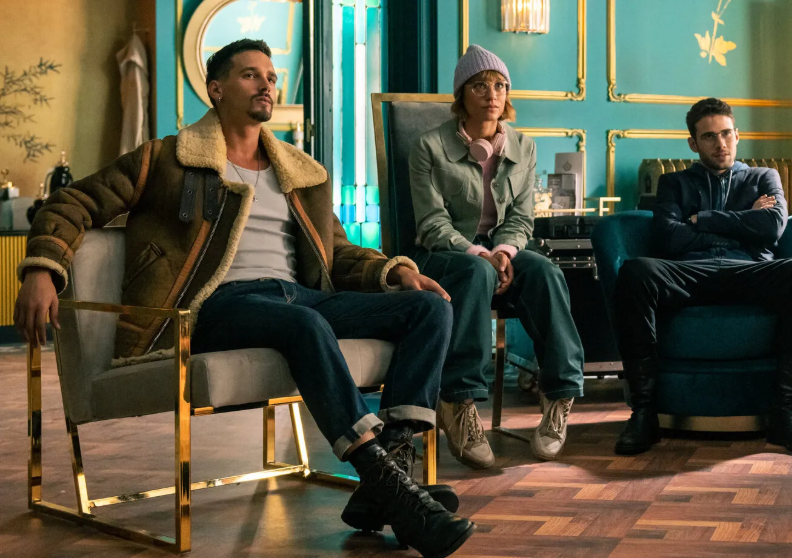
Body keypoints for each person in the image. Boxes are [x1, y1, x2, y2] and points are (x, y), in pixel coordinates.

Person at [12, 39, 475, 557]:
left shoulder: (301, 174)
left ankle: (386, 485)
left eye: (271, 77)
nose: (267, 85)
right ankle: (395, 490)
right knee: (305, 326)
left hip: (300, 298)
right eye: (251, 75)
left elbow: (337, 252)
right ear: (216, 89)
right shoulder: (167, 159)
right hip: (216, 306)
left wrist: (396, 272)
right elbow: (71, 202)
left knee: (430, 307)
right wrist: (42, 269)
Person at [611, 97, 792, 457]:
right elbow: (668, 237)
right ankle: (644, 414)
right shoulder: (673, 183)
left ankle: (785, 412)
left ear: (737, 135)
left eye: (727, 134)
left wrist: (701, 219)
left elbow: (772, 227)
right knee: (636, 273)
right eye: (709, 136)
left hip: (749, 269)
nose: (721, 143)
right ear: (693, 143)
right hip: (690, 272)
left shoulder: (763, 177)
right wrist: (744, 221)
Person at [409, 45, 585, 467]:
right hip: (445, 254)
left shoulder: (523, 146)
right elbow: (431, 223)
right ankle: (459, 400)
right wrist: (478, 253)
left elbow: (522, 217)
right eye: (480, 85)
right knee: (475, 271)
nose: (492, 94)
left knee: (545, 272)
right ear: (461, 94)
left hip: (503, 249)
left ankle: (559, 394)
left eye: (500, 85)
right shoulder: (428, 147)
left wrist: (504, 252)